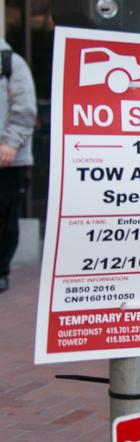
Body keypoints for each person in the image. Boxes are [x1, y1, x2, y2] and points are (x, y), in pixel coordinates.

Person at [0, 40, 37, 293]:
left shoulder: (10, 63)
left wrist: (10, 144)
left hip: (7, 160)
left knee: (4, 220)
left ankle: (1, 273)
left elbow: (24, 109)